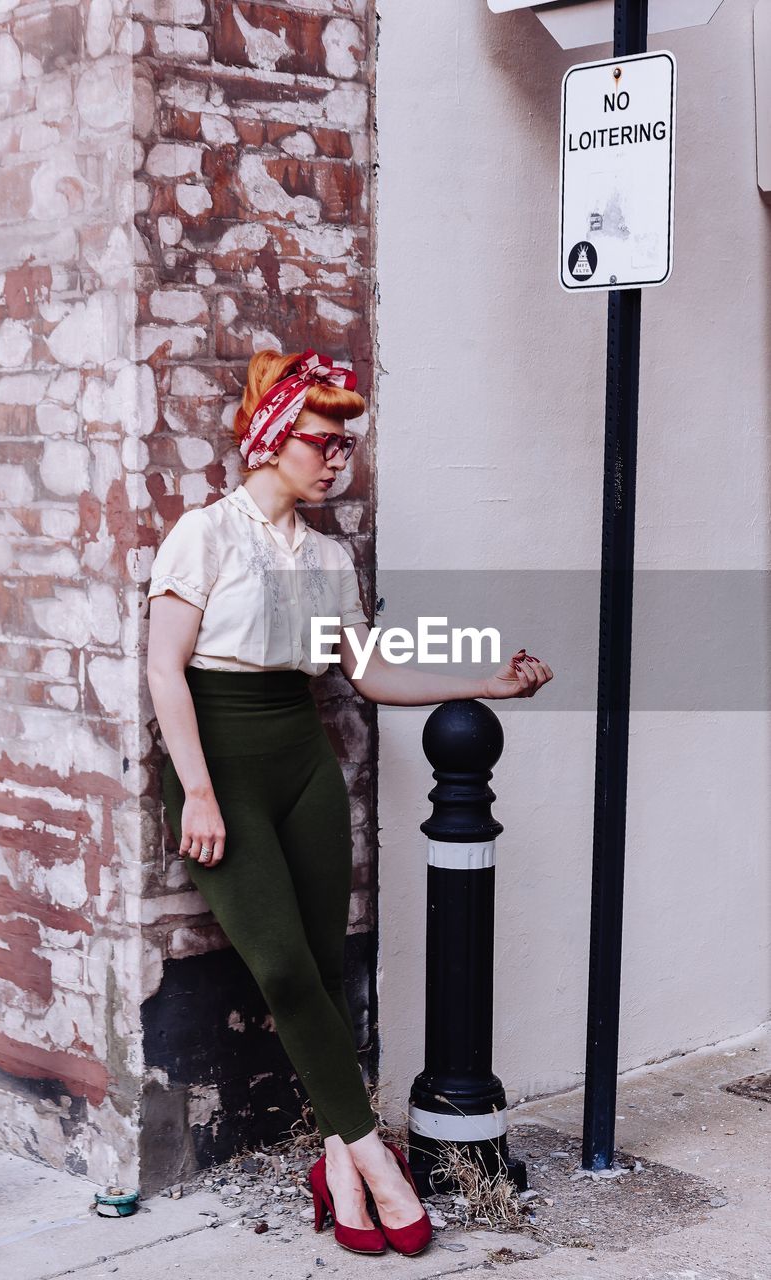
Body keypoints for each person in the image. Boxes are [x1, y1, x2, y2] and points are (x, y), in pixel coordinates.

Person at [146, 347, 553, 1257]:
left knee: (325, 970)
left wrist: (485, 682)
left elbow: (365, 676)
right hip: (222, 758)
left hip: (302, 758)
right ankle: (372, 1159)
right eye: (322, 442)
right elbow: (162, 668)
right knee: (284, 971)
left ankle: (332, 1164)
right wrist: (200, 793)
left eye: (346, 449)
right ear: (270, 440)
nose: (337, 460)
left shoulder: (328, 556)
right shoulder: (205, 534)